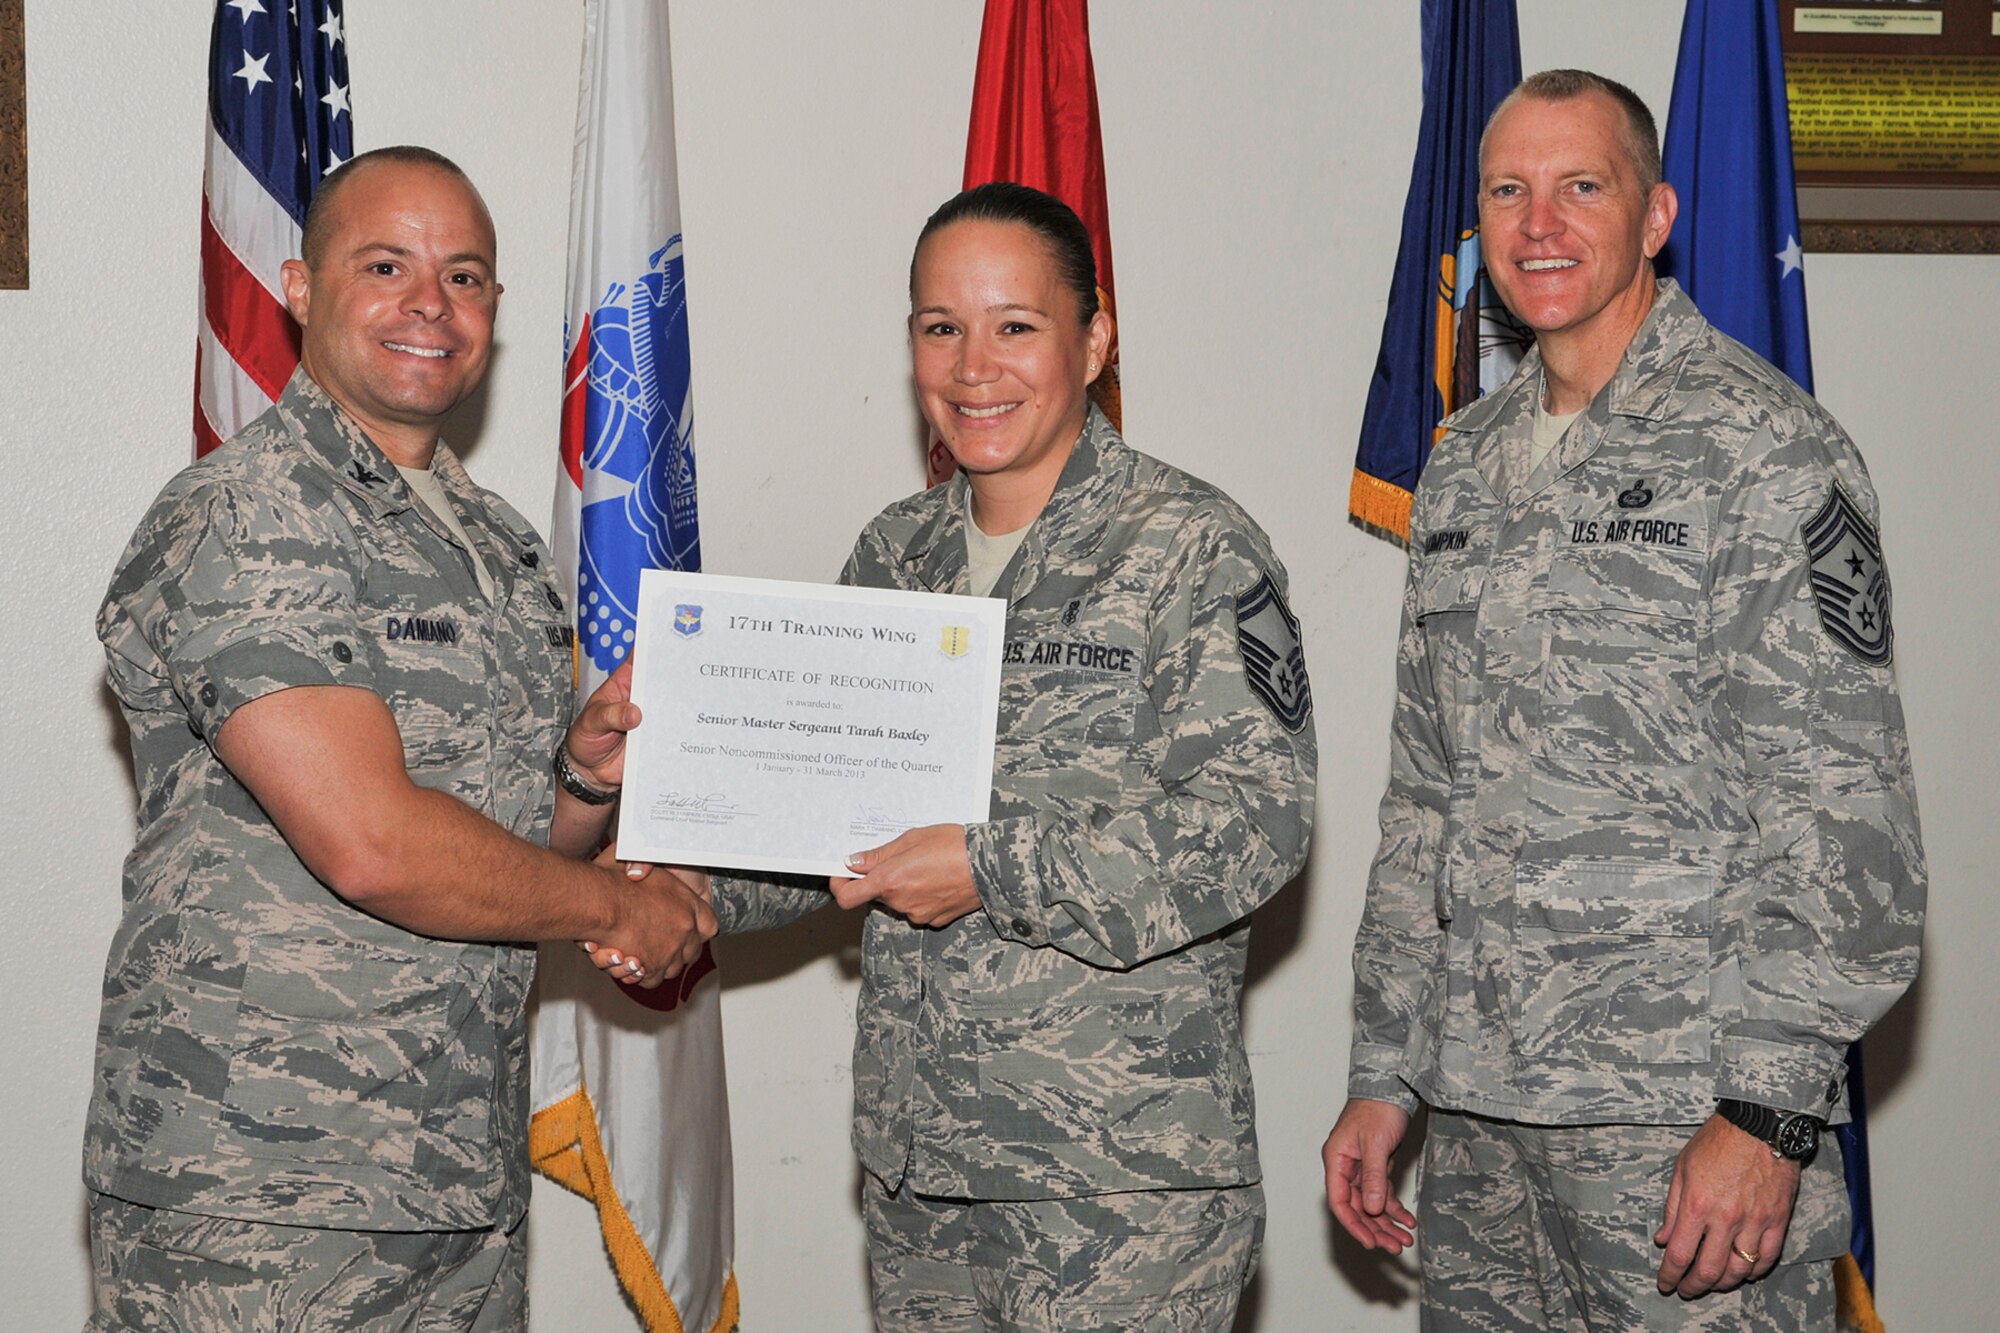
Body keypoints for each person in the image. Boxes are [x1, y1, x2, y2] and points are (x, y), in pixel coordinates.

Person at [603, 182, 1316, 1330]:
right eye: (941, 327)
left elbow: (1256, 826)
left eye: (1014, 326)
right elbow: (828, 821)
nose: (972, 366)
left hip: (1116, 1185)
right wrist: (688, 891)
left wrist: (991, 868)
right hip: (918, 1171)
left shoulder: (1192, 547)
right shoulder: (896, 552)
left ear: (1094, 339)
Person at [1321, 69, 1926, 1330]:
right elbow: (1425, 799)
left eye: (1578, 187)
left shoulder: (1764, 451)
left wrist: (1765, 1110)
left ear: (1652, 216)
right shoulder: (1463, 469)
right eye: (1507, 191)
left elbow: (1838, 814)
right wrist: (1386, 1071)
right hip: (1483, 1125)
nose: (1537, 225)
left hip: (1679, 1125)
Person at [84, 146, 715, 1330]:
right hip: (266, 1190)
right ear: (300, 286)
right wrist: (620, 911)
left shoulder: (501, 544)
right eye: (388, 265)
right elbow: (372, 842)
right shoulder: (250, 512)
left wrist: (582, 777)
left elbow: (508, 851)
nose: (433, 303)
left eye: (467, 276)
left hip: (452, 1175)